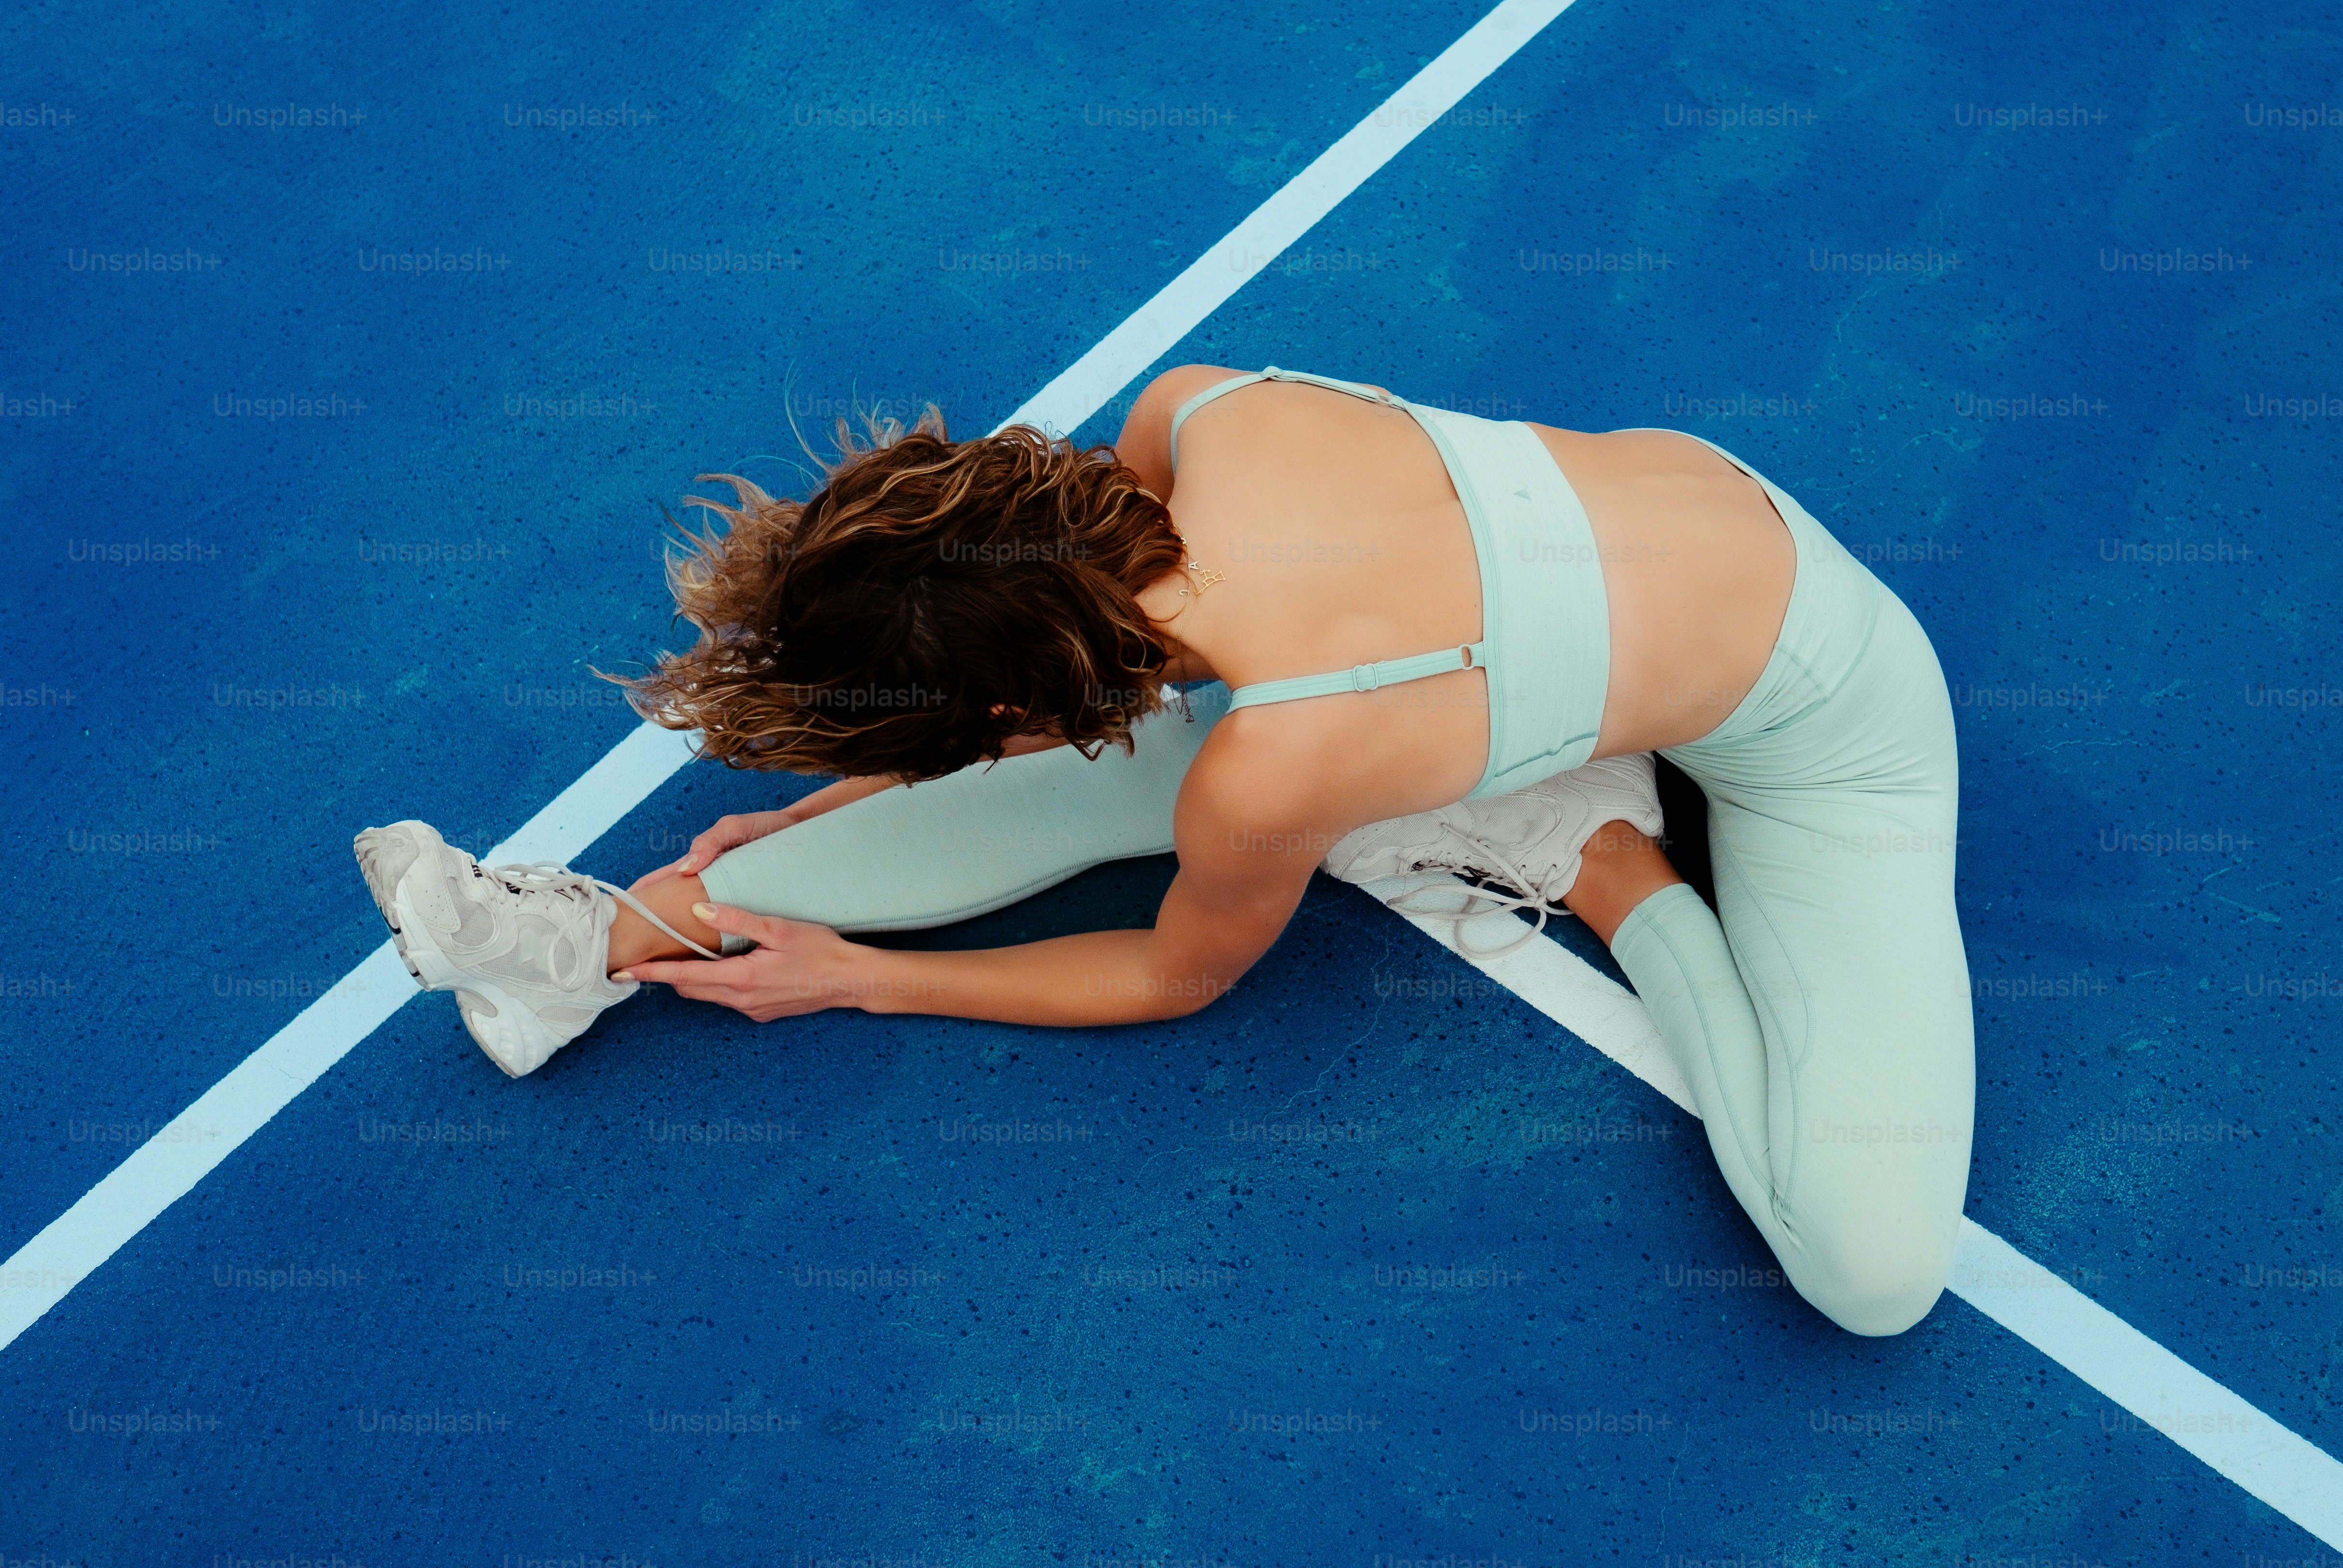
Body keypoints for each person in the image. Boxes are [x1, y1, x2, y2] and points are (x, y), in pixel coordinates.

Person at [352, 365, 1972, 1334]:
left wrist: (870, 979)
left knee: (1873, 1271)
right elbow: (1093, 682)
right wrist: (853, 794)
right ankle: (582, 944)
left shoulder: (1286, 758)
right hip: (1540, 611)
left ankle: (1623, 870)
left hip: (1824, 720)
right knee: (1193, 755)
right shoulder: (1204, 410)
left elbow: (1174, 970)